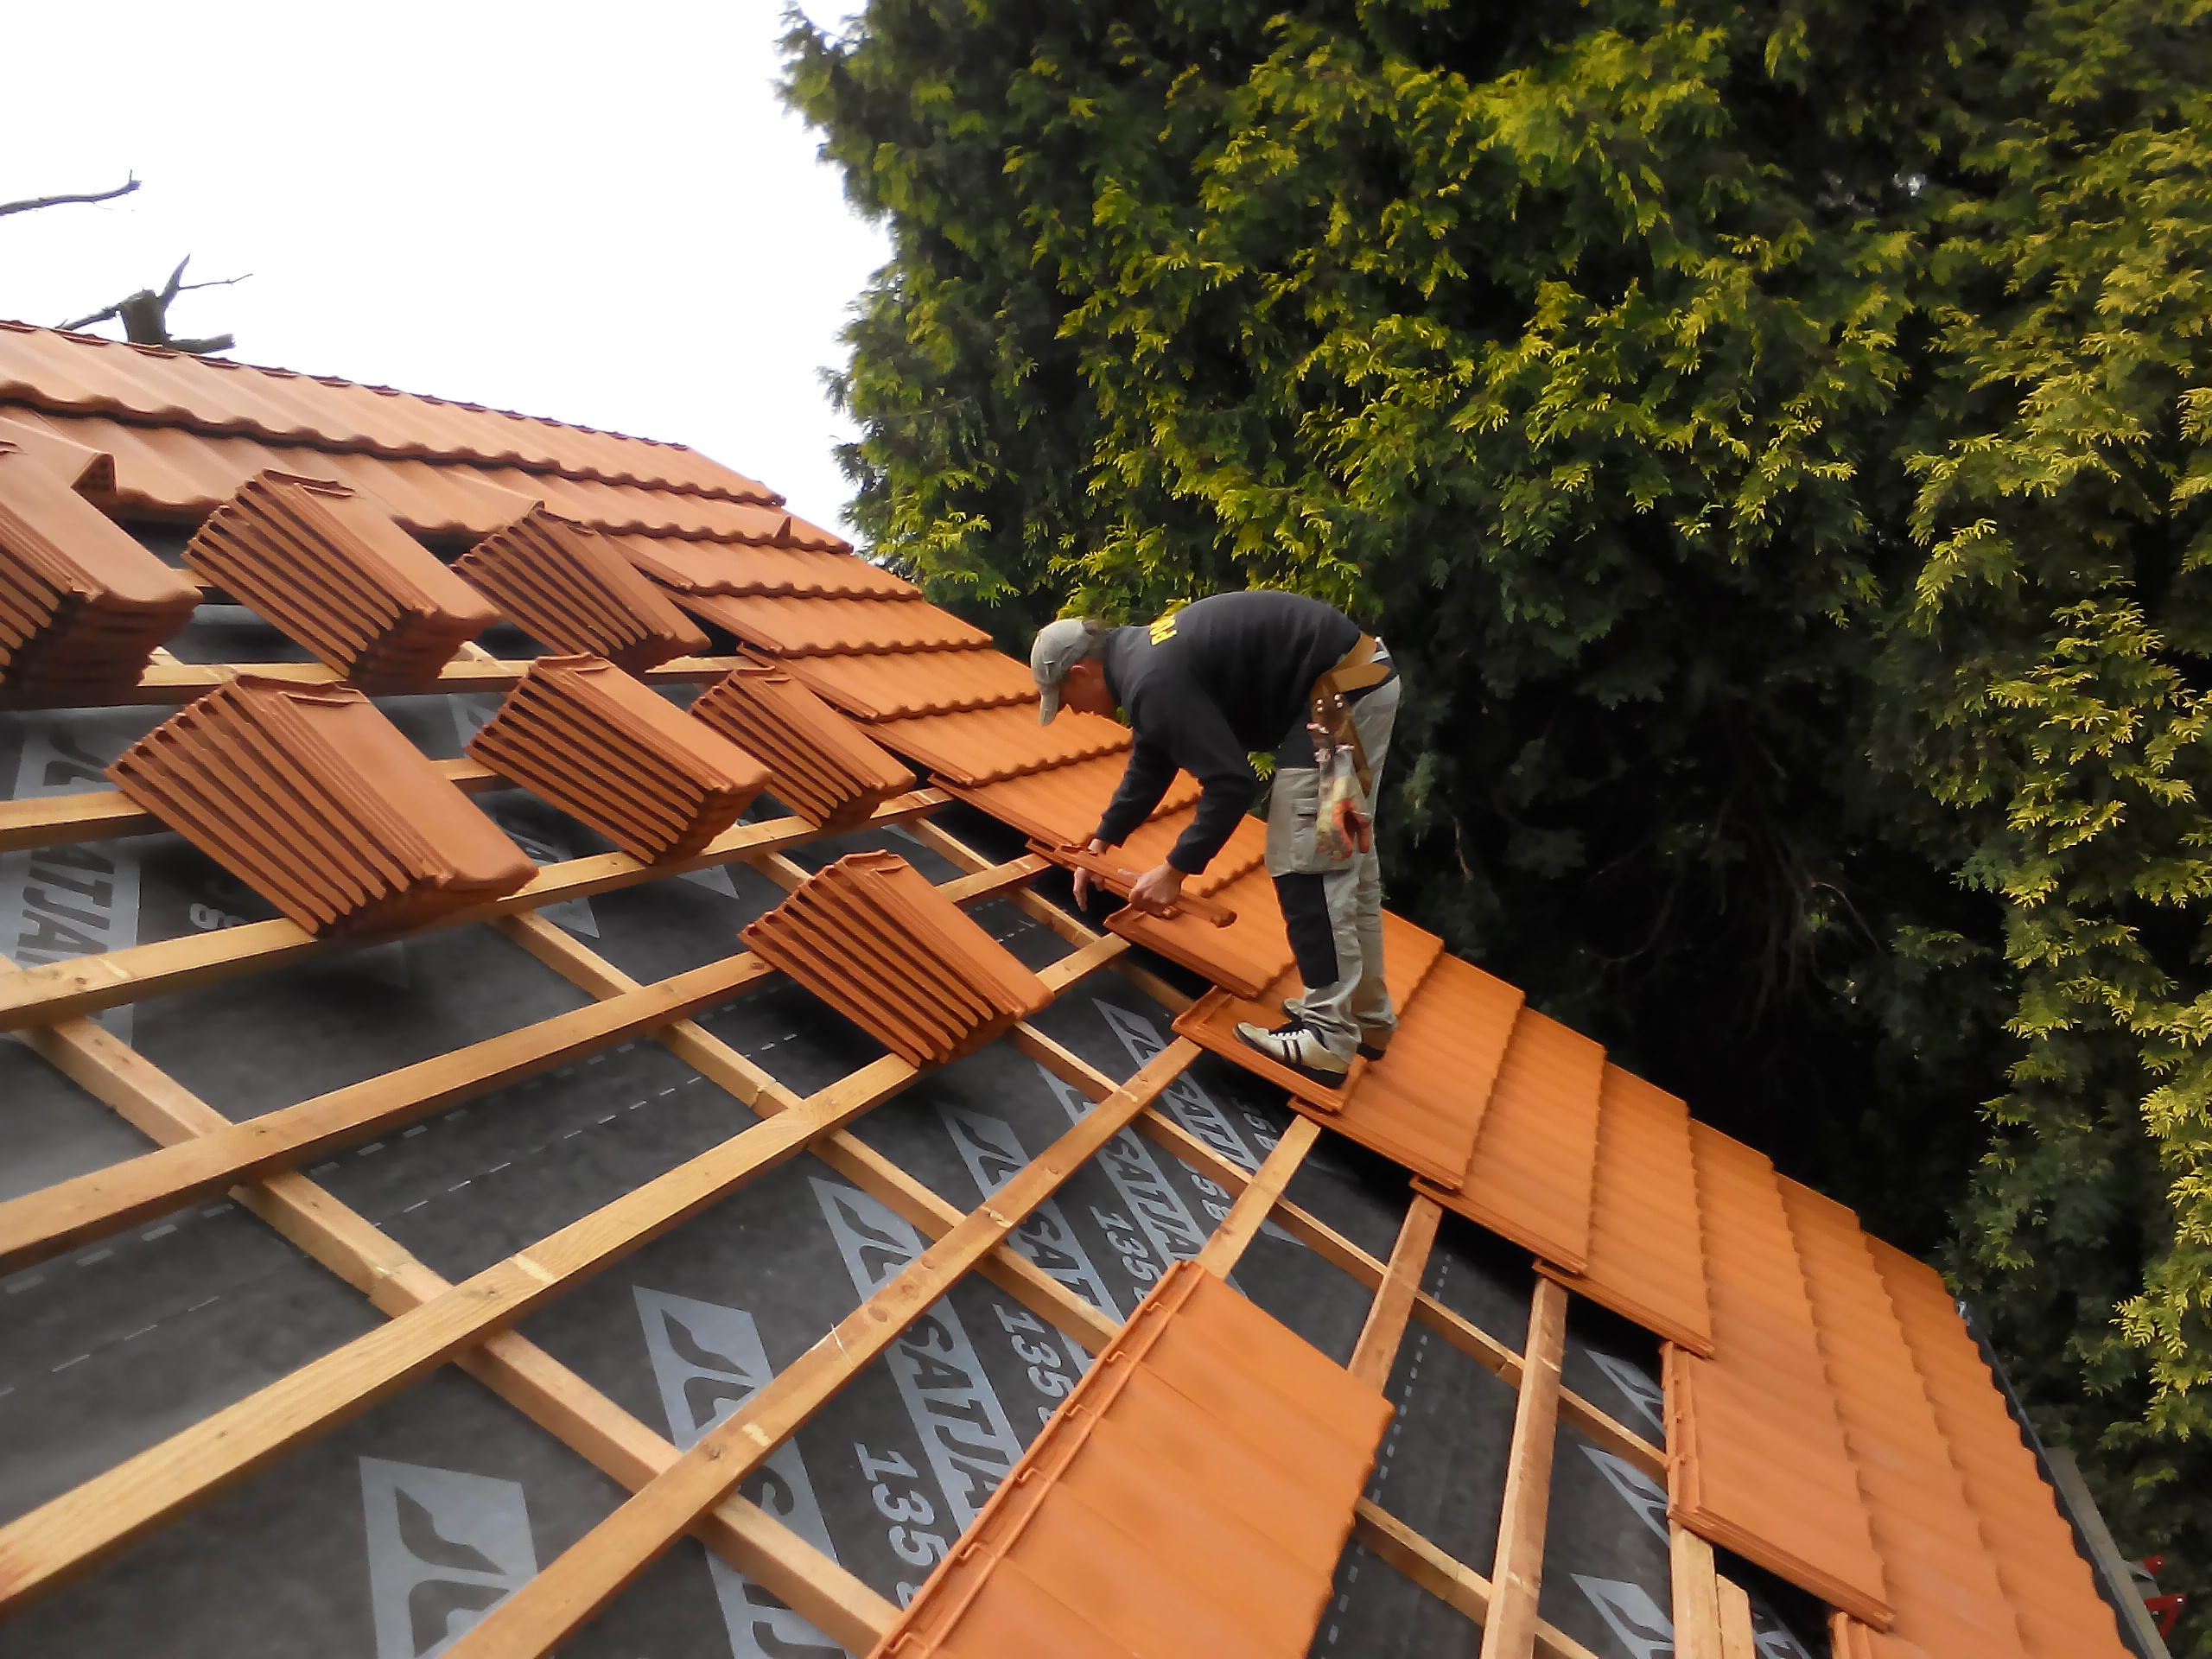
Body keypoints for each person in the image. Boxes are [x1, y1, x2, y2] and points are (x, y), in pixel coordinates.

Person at [1030, 591, 1401, 1086]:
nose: (1075, 712)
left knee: (1306, 862)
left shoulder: (1151, 679)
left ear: (1081, 673)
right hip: (1358, 677)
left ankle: (1327, 1035)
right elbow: (1152, 759)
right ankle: (1366, 1018)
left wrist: (1175, 871)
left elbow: (1231, 784)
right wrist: (1103, 838)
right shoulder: (1140, 659)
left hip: (1338, 693)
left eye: (1066, 701)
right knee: (1345, 863)